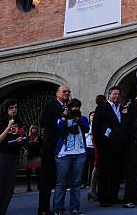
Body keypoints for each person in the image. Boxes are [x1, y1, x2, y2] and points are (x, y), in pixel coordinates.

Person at [52, 98, 89, 215]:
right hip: (64, 154)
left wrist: (78, 120)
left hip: (79, 153)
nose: (76, 109)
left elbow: (86, 129)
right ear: (68, 108)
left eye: (78, 107)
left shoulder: (82, 118)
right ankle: (58, 209)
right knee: (61, 182)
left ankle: (74, 209)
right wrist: (64, 118)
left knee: (76, 183)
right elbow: (59, 131)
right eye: (73, 107)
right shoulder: (61, 119)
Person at [92, 86, 127, 207]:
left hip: (119, 146)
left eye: (118, 94)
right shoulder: (102, 108)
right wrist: (100, 145)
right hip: (105, 147)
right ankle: (103, 198)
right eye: (114, 94)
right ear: (109, 95)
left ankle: (114, 196)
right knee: (104, 173)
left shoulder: (122, 108)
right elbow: (96, 129)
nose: (116, 96)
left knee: (116, 173)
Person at [38, 85, 71, 215]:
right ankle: (43, 209)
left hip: (66, 147)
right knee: (46, 178)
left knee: (62, 179)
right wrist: (60, 121)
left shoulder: (69, 107)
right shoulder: (50, 105)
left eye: (68, 92)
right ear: (57, 93)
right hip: (51, 147)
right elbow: (43, 121)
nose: (67, 93)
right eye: (64, 91)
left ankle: (58, 206)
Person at [24, 124, 42, 192]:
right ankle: (28, 186)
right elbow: (25, 145)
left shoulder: (39, 137)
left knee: (38, 172)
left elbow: (41, 145)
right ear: (31, 129)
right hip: (29, 156)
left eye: (35, 128)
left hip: (37, 156)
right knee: (28, 172)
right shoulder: (28, 137)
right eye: (33, 128)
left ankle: (39, 185)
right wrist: (26, 150)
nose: (34, 129)